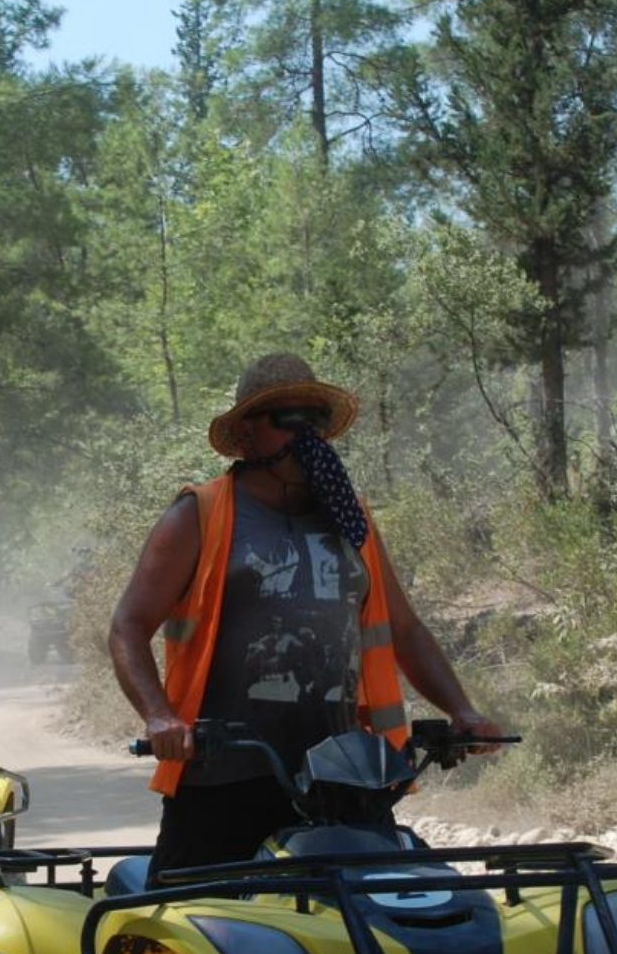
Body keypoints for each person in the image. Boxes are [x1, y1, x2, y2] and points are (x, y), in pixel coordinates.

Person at [110, 351, 504, 874]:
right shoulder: (198, 515)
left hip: (342, 776)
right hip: (224, 776)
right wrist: (160, 716)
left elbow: (404, 629)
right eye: (287, 419)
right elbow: (128, 627)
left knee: (368, 928)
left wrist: (463, 711)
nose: (306, 434)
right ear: (247, 434)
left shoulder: (350, 517)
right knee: (189, 925)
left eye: (314, 419)